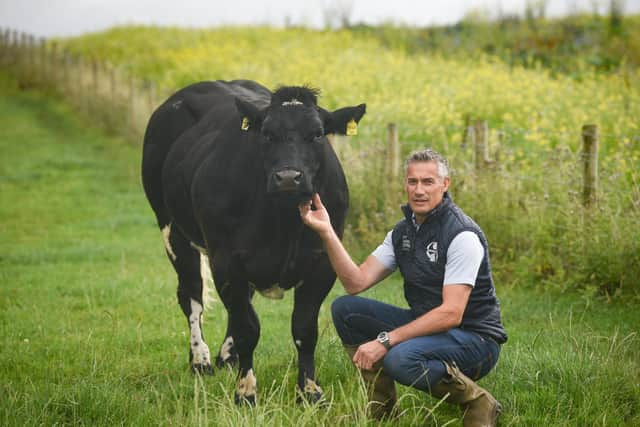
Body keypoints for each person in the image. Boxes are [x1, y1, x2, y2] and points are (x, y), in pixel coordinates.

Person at [298, 148, 507, 426]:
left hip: (475, 340)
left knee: (399, 358)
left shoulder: (462, 235)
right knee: (346, 310)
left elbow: (452, 313)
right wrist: (327, 231)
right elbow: (355, 282)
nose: (418, 190)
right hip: (432, 327)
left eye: (428, 182)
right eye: (412, 182)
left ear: (445, 185)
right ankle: (383, 411)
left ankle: (478, 402)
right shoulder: (403, 232)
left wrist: (385, 340)